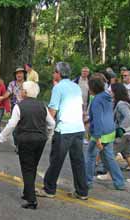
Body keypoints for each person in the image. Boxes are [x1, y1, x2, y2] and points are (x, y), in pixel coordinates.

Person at [0, 81, 55, 209]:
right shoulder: (42, 106)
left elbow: (11, 125)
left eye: (21, 89)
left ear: (25, 93)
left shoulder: (19, 106)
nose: (20, 91)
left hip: (25, 139)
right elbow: (51, 123)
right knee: (33, 166)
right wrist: (47, 136)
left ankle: (31, 200)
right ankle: (28, 191)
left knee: (27, 168)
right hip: (40, 139)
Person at [36, 62, 89, 200]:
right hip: (78, 128)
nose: (53, 74)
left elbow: (52, 111)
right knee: (78, 161)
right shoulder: (76, 86)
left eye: (54, 72)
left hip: (64, 129)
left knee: (56, 160)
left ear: (58, 73)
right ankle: (82, 191)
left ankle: (49, 189)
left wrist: (43, 125)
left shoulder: (58, 88)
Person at [84, 74, 125, 190]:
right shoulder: (106, 96)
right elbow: (104, 115)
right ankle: (119, 182)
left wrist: (97, 138)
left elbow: (98, 120)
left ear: (92, 87)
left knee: (90, 157)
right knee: (109, 158)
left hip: (100, 134)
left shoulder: (96, 100)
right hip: (110, 131)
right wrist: (88, 119)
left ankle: (87, 182)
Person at [100, 84, 130, 184]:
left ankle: (109, 175)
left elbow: (128, 117)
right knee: (128, 155)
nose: (110, 93)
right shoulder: (124, 102)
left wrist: (121, 129)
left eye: (111, 91)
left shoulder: (121, 104)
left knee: (110, 153)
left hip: (124, 134)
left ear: (116, 92)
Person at [0, 67, 27, 150]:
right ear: (15, 75)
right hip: (15, 107)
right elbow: (8, 92)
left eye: (21, 73)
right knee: (15, 127)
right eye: (17, 73)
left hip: (25, 107)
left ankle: (21, 145)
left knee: (24, 127)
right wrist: (2, 97)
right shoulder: (12, 83)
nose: (19, 75)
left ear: (24, 74)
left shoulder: (27, 84)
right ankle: (17, 144)